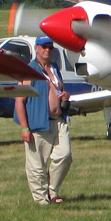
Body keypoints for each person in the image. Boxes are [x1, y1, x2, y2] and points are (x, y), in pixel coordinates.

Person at [14, 36, 71, 205]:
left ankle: (52, 190)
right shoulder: (29, 71)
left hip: (58, 120)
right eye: (44, 46)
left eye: (50, 47)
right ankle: (41, 199)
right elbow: (19, 101)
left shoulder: (54, 68)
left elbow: (59, 90)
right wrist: (25, 128)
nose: (48, 50)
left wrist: (65, 95)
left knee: (64, 155)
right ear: (37, 48)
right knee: (37, 164)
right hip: (38, 122)